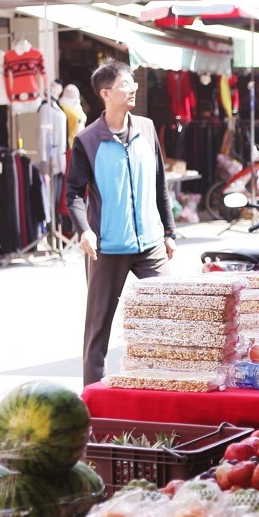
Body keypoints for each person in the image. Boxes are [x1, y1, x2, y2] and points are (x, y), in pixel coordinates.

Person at [65, 61, 176, 385]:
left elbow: (159, 183)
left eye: (132, 83)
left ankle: (164, 388)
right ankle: (93, 401)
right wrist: (85, 230)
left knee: (168, 316)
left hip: (151, 244)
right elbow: (73, 192)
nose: (133, 88)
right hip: (108, 247)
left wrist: (168, 232)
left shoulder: (146, 128)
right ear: (106, 93)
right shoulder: (87, 140)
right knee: (98, 327)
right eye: (125, 84)